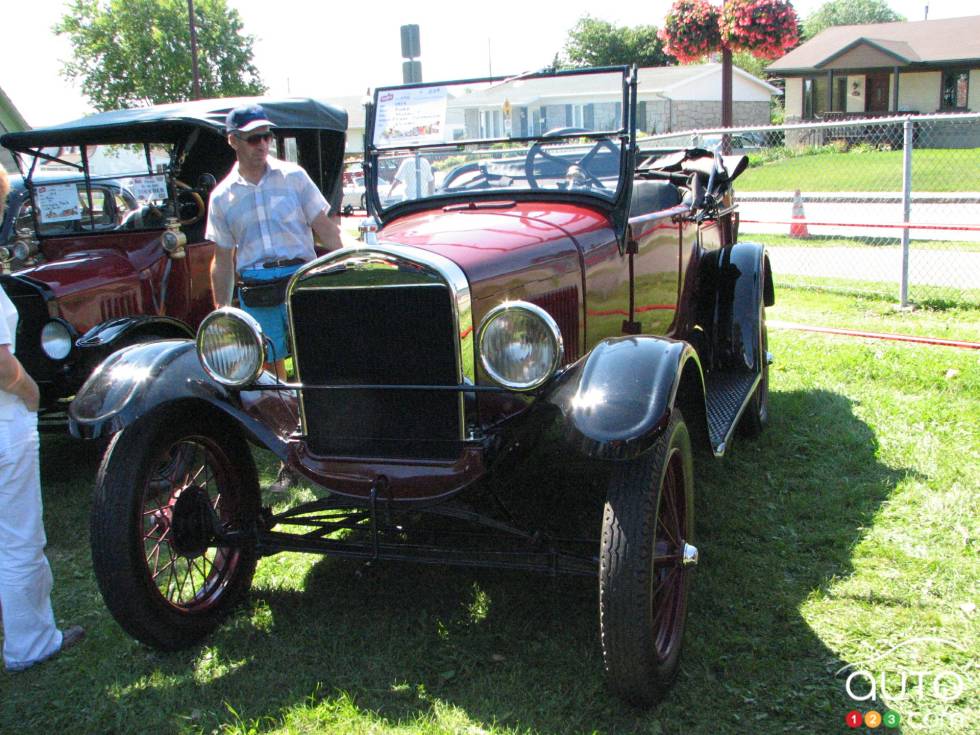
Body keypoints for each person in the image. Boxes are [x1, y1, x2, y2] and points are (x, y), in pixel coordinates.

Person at [0, 168, 85, 672]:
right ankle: (30, 643)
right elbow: (1, 366)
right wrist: (31, 391)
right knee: (20, 538)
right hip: (4, 422)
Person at [206, 103, 355, 377]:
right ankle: (280, 404)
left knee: (317, 357)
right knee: (268, 368)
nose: (263, 145)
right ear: (233, 141)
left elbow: (326, 229)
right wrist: (223, 311)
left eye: (267, 136)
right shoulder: (221, 197)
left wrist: (360, 257)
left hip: (301, 280)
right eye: (254, 138)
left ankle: (316, 403)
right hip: (257, 288)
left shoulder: (294, 177)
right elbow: (223, 257)